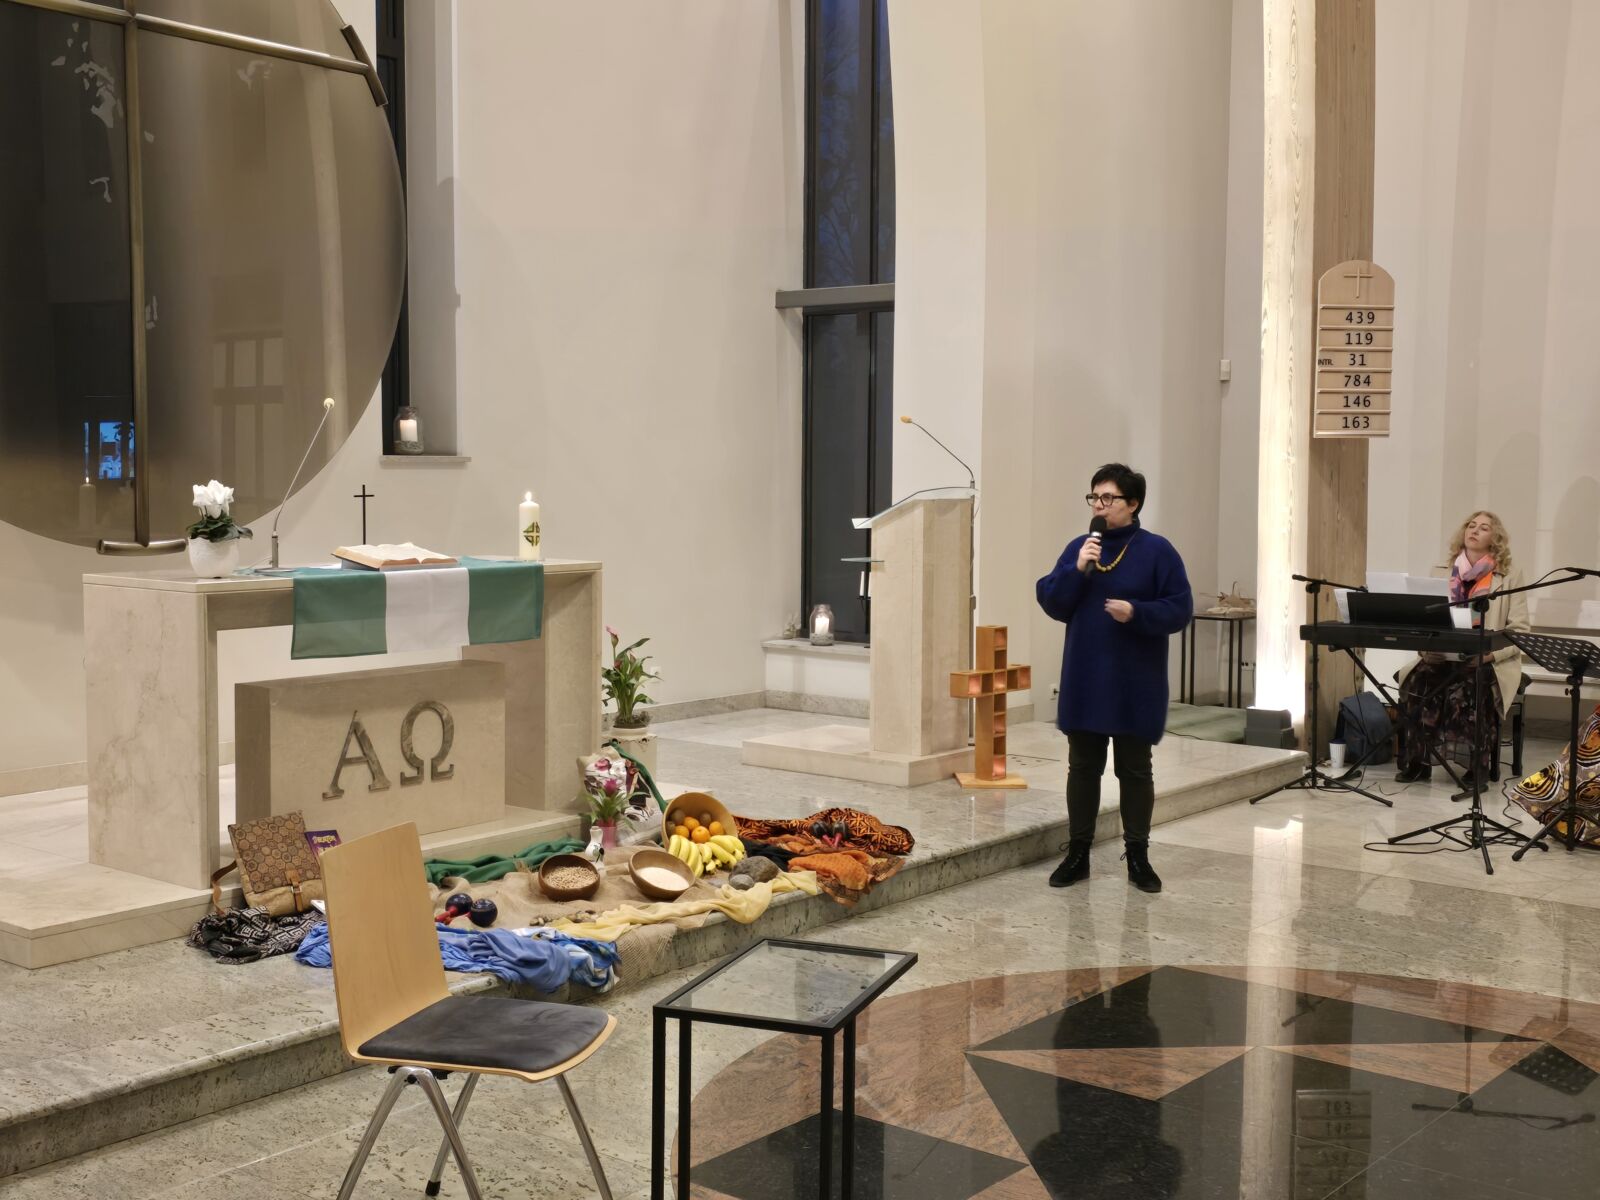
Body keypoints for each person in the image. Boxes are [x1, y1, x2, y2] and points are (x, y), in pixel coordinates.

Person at [1036, 464, 1193, 893]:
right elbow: (1053, 602)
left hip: (1134, 679)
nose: (1099, 506)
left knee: (1135, 770)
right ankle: (1078, 854)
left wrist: (1137, 612)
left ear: (1133, 503)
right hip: (1086, 675)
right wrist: (1077, 569)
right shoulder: (1081, 547)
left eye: (1109, 498)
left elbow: (1180, 609)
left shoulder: (1157, 550)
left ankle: (1138, 856)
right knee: (1083, 767)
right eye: (1094, 497)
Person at [1394, 511, 1529, 785]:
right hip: (1442, 654)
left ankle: (1476, 768)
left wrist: (1489, 655)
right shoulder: (1441, 571)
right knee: (1419, 682)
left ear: (1495, 538)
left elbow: (1519, 631)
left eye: (1484, 527)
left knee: (1470, 686)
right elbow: (1424, 621)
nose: (1474, 530)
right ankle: (1419, 762)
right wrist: (1426, 651)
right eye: (1471, 525)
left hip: (1487, 659)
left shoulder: (1509, 575)